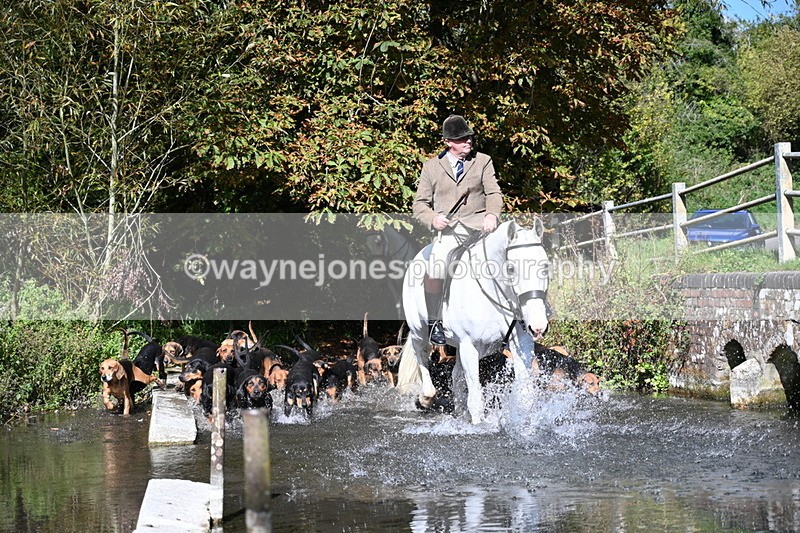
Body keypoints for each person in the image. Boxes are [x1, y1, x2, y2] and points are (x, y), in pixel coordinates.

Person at [412, 115, 503, 345]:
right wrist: (433, 219)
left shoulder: (483, 161)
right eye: (462, 139)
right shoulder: (431, 167)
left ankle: (518, 318)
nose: (468, 142)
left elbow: (493, 193)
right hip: (450, 232)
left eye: (469, 137)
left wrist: (492, 214)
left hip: (481, 228)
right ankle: (435, 322)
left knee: (511, 258)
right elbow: (419, 205)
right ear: (448, 142)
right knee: (436, 266)